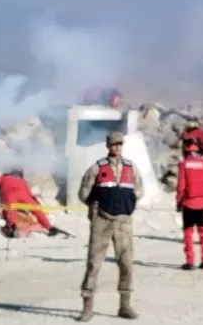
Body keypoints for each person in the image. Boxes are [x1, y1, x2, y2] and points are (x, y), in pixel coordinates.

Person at [77, 131, 144, 322]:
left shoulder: (131, 167)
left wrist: (129, 203)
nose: (117, 148)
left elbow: (139, 190)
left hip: (123, 222)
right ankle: (87, 307)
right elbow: (83, 193)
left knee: (126, 263)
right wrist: (96, 205)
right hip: (102, 221)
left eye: (120, 144)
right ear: (108, 146)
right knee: (94, 264)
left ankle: (125, 305)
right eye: (114, 145)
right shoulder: (97, 168)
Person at [176, 140, 203, 270]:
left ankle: (190, 261)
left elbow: (181, 186)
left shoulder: (184, 164)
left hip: (189, 202)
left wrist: (178, 202)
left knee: (188, 232)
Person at [0, 168, 53, 237]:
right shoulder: (23, 181)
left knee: (11, 211)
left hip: (10, 194)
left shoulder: (4, 177)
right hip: (24, 195)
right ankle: (49, 227)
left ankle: (12, 227)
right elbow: (31, 195)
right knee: (37, 210)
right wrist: (38, 204)